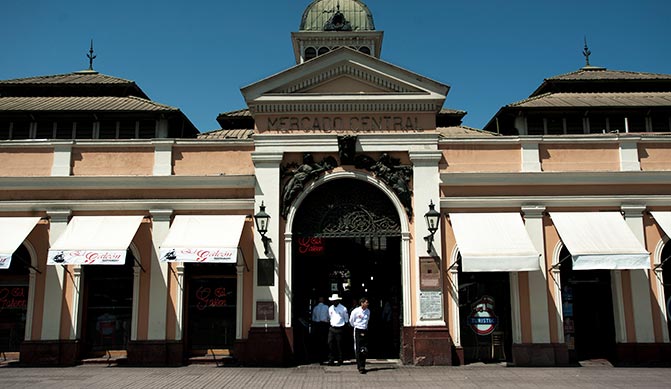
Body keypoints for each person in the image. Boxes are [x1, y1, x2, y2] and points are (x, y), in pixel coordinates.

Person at [349, 297, 371, 374]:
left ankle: (363, 365)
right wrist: (356, 326)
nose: (367, 304)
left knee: (364, 349)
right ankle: (360, 366)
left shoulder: (368, 311)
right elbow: (351, 321)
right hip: (358, 329)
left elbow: (367, 320)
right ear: (362, 303)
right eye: (366, 302)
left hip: (365, 330)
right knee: (358, 348)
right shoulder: (356, 311)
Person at [327, 293, 348, 366]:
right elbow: (330, 317)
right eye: (333, 300)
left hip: (339, 328)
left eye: (335, 300)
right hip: (332, 328)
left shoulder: (343, 308)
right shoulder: (330, 308)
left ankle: (340, 359)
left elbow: (346, 319)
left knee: (339, 345)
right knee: (330, 344)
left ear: (338, 301)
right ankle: (331, 359)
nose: (334, 302)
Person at [311, 296, 329, 362]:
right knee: (324, 341)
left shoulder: (315, 308)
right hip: (323, 325)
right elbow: (328, 316)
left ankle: (319, 356)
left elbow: (313, 318)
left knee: (318, 341)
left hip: (317, 325)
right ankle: (324, 356)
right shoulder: (326, 307)